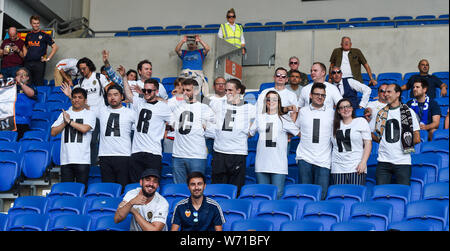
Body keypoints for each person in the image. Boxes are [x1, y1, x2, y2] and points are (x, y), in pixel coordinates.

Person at [249, 91, 299, 199]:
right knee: (262, 195)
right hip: (261, 163)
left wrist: (289, 136)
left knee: (277, 195)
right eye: (268, 99)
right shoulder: (259, 118)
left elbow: (299, 133)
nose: (271, 102)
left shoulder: (284, 119)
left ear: (279, 102)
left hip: (278, 164)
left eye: (274, 99)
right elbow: (249, 133)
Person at [61, 57, 110, 166]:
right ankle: (92, 163)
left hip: (102, 114)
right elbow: (77, 101)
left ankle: (104, 161)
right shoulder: (80, 81)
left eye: (84, 68)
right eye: (80, 69)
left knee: (104, 140)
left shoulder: (99, 77)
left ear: (90, 67)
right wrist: (69, 95)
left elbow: (109, 91)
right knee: (91, 141)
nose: (82, 71)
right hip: (89, 115)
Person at [123, 76, 172, 183]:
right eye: (144, 90)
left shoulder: (163, 107)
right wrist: (124, 77)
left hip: (153, 153)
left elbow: (175, 123)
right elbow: (129, 95)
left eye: (149, 90)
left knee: (151, 186)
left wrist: (166, 128)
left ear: (157, 91)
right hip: (136, 152)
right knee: (135, 186)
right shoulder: (139, 103)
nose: (146, 93)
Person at [211, 79, 255, 192]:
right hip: (220, 152)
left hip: (237, 153)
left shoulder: (249, 108)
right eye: (226, 90)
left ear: (239, 90)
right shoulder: (217, 104)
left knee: (235, 189)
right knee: (218, 189)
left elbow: (257, 123)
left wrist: (249, 132)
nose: (227, 93)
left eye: (230, 90)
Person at [373, 84, 421, 185]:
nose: (385, 94)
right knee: (380, 194)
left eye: (389, 92)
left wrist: (405, 143)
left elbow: (417, 138)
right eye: (384, 92)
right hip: (383, 161)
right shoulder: (380, 113)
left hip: (403, 161)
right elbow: (377, 137)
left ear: (398, 93)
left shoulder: (409, 112)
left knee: (403, 193)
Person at [170, 78, 214, 184]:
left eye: (188, 90)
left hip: (196, 155)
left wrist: (206, 128)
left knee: (196, 189)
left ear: (196, 91)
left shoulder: (204, 108)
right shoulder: (177, 107)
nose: (185, 93)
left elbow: (215, 129)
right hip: (178, 154)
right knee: (179, 189)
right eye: (183, 90)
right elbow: (170, 123)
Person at [295, 83, 334, 200]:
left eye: (323, 95)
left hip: (324, 159)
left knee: (321, 195)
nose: (320, 97)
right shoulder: (303, 111)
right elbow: (296, 128)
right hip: (305, 158)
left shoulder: (332, 113)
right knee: (305, 194)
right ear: (311, 95)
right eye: (317, 94)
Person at [50, 88, 96, 187]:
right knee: (67, 191)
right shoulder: (65, 114)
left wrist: (70, 122)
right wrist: (64, 122)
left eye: (80, 97)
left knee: (81, 190)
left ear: (85, 100)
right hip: (66, 159)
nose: (76, 100)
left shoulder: (90, 114)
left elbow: (85, 129)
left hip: (82, 160)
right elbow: (53, 132)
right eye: (74, 97)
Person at [95, 85, 135, 190]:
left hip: (124, 155)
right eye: (109, 95)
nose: (112, 97)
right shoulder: (101, 110)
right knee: (108, 189)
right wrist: (70, 97)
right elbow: (84, 106)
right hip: (105, 156)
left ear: (122, 96)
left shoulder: (131, 113)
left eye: (116, 95)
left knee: (122, 189)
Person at [331, 98, 372, 185]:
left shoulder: (360, 122)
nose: (345, 109)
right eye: (342, 108)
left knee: (355, 195)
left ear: (352, 108)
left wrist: (363, 162)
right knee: (339, 196)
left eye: (348, 106)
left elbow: (368, 143)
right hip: (337, 167)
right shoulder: (333, 125)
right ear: (338, 111)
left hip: (356, 166)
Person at [23, 15, 58, 86]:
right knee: (26, 83)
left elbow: (55, 47)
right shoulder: (28, 35)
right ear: (31, 23)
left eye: (37, 23)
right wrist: (25, 56)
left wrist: (48, 58)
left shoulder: (45, 35)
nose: (36, 25)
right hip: (28, 63)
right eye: (34, 23)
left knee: (38, 84)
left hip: (39, 63)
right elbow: (24, 46)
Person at [12, 68, 38, 139]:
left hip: (22, 121)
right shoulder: (11, 87)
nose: (20, 77)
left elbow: (31, 94)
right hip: (9, 120)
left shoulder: (31, 87)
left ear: (27, 78)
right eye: (18, 75)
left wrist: (21, 83)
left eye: (23, 75)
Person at [204, 77, 227, 154]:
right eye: (218, 84)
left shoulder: (231, 100)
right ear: (214, 86)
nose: (221, 86)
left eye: (223, 84)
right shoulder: (207, 100)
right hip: (210, 137)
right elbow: (203, 116)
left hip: (225, 137)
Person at [164, 77, 185, 153]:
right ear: (175, 87)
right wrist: (165, 135)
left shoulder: (189, 101)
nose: (180, 88)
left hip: (184, 138)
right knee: (168, 161)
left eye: (182, 86)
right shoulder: (170, 101)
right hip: (171, 136)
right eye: (178, 86)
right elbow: (166, 119)